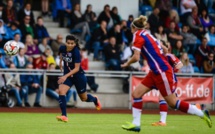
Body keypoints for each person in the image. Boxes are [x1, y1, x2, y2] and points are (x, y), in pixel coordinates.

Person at [121, 15, 212, 132]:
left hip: (162, 72)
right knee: (136, 93)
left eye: (131, 27)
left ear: (134, 28)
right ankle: (136, 124)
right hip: (155, 72)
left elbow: (136, 57)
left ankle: (201, 113)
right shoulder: (148, 34)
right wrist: (161, 49)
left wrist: (126, 63)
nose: (131, 29)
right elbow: (163, 48)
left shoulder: (137, 36)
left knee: (173, 103)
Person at [56, 35, 101, 122]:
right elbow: (61, 54)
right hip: (69, 76)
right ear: (65, 43)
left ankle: (95, 99)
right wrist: (61, 62)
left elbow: (76, 68)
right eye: (68, 43)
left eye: (72, 43)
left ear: (75, 44)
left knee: (84, 98)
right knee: (61, 91)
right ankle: (64, 116)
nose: (69, 45)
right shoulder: (62, 48)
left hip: (78, 76)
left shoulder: (76, 52)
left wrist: (65, 76)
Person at [151, 41, 183, 126]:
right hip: (162, 80)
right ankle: (196, 109)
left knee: (162, 96)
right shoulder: (158, 57)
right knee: (173, 103)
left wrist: (172, 70)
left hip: (170, 80)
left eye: (161, 46)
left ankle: (162, 121)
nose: (159, 47)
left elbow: (180, 64)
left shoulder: (169, 56)